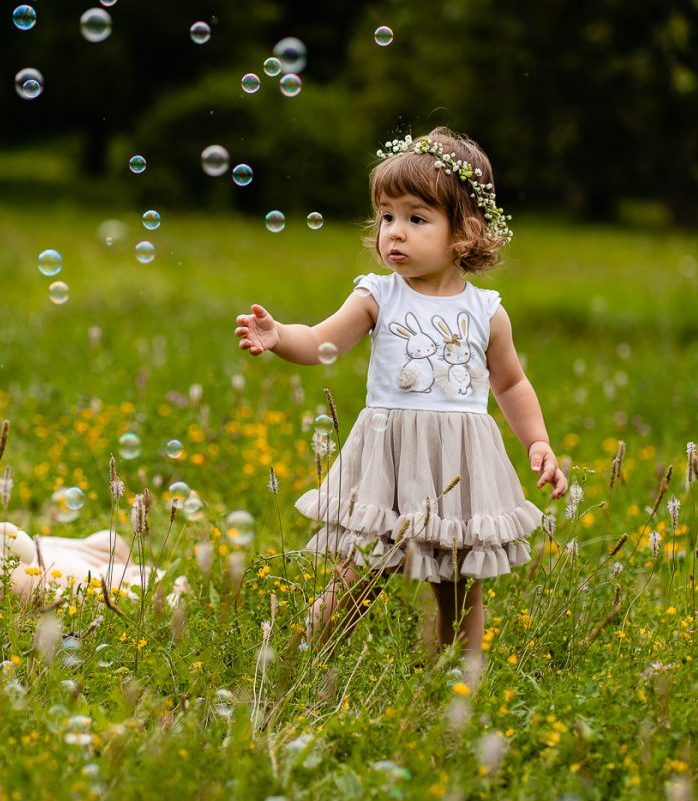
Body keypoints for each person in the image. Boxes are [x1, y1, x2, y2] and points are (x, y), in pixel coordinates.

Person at [234, 127, 568, 665]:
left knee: (461, 581)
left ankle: (460, 680)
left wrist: (537, 440)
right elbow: (322, 339)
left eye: (416, 218)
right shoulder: (377, 295)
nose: (395, 232)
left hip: (459, 463)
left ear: (464, 232)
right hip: (389, 459)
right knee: (360, 571)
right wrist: (280, 338)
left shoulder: (487, 312)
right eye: (387, 216)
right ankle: (302, 662)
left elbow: (510, 382)